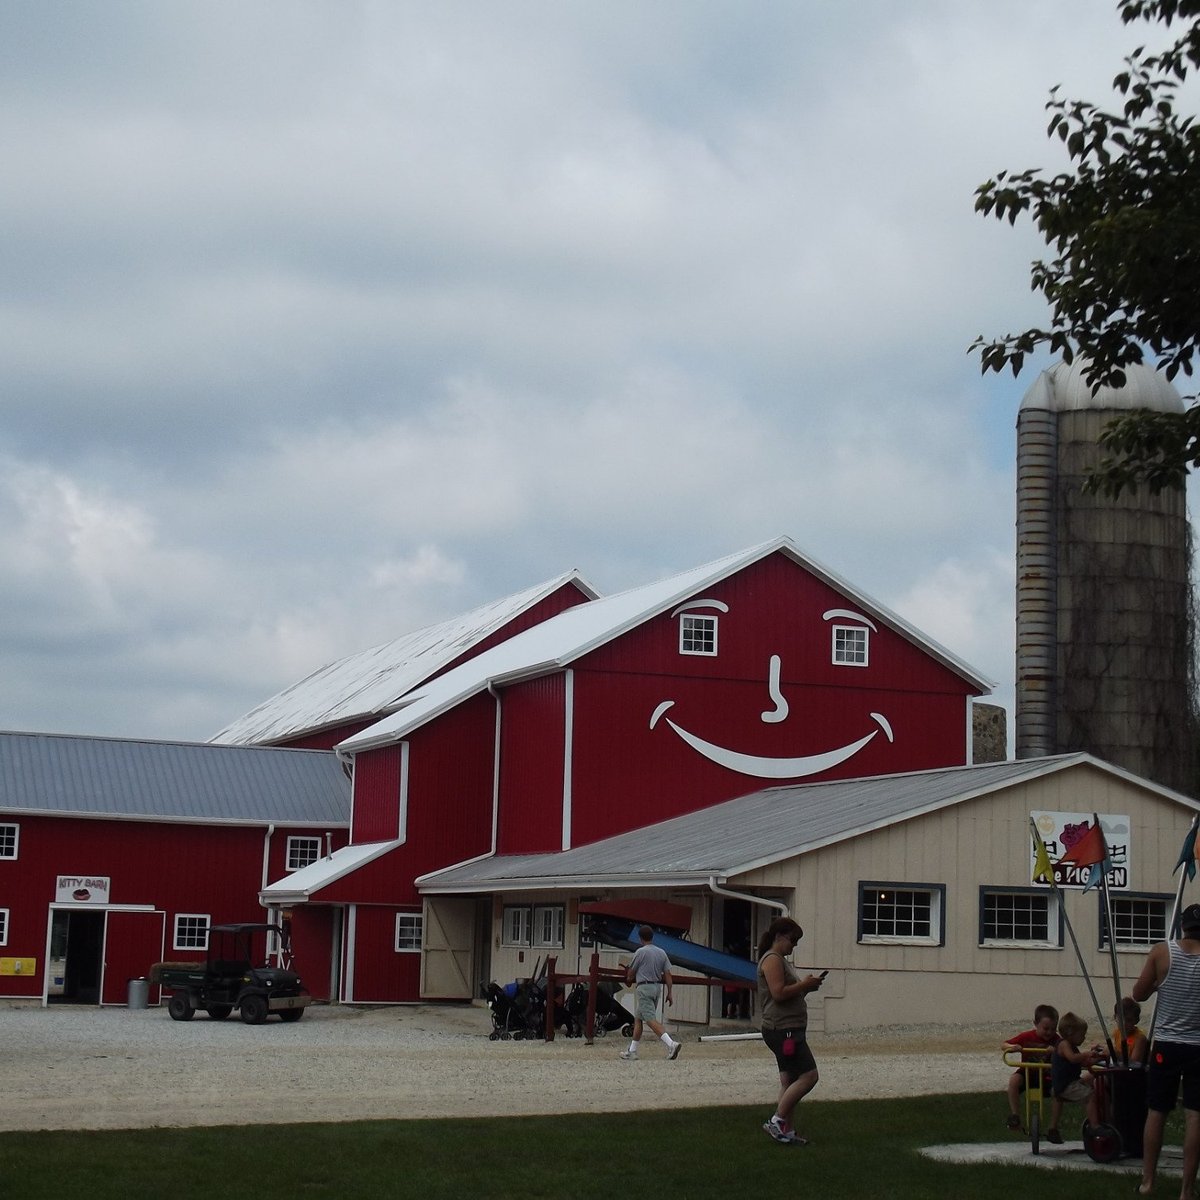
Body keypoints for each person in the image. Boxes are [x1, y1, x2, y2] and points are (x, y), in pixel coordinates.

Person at [1133, 902, 1200, 1199]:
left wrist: (1161, 981)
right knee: (1195, 1116)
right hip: (1199, 1046)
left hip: (1167, 1044)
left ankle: (1148, 1181)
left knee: (1157, 1111)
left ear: (1182, 925)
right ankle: (1187, 1189)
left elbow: (1139, 994)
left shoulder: (1162, 952)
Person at [757, 915, 823, 1145]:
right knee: (809, 1075)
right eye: (793, 940)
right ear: (780, 936)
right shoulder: (773, 959)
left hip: (784, 1027)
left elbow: (787, 993)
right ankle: (777, 1120)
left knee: (789, 1079)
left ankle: (787, 1131)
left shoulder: (779, 959)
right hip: (784, 1030)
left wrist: (806, 988)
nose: (794, 945)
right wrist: (804, 984)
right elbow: (778, 993)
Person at [619, 925, 681, 1061]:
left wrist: (628, 977)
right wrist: (670, 993)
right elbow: (668, 974)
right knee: (638, 1018)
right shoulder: (661, 952)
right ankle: (632, 1051)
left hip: (644, 987)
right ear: (652, 936)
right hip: (656, 988)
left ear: (640, 938)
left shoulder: (640, 952)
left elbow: (631, 973)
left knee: (650, 1019)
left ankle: (671, 1044)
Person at [1046, 1011, 1104, 1143]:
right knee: (1090, 1096)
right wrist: (1086, 1054)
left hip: (1066, 1083)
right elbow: (1073, 1059)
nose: (1084, 1038)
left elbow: (1083, 1062)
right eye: (1082, 1035)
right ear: (1071, 1033)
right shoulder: (1064, 1045)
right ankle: (1095, 1126)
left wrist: (1095, 1059)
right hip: (1066, 1085)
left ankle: (1053, 1128)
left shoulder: (1072, 1047)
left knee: (1090, 1085)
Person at [1002, 1003, 1060, 1130]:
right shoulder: (1026, 1037)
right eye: (1046, 1028)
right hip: (1027, 1073)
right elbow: (1004, 1044)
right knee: (1014, 1080)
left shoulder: (1057, 1040)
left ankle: (1053, 1127)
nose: (1049, 1032)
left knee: (1058, 1091)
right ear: (1035, 1023)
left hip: (1047, 1076)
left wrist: (1056, 1051)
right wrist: (1013, 1048)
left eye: (1053, 1029)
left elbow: (1065, 1051)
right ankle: (1015, 1116)